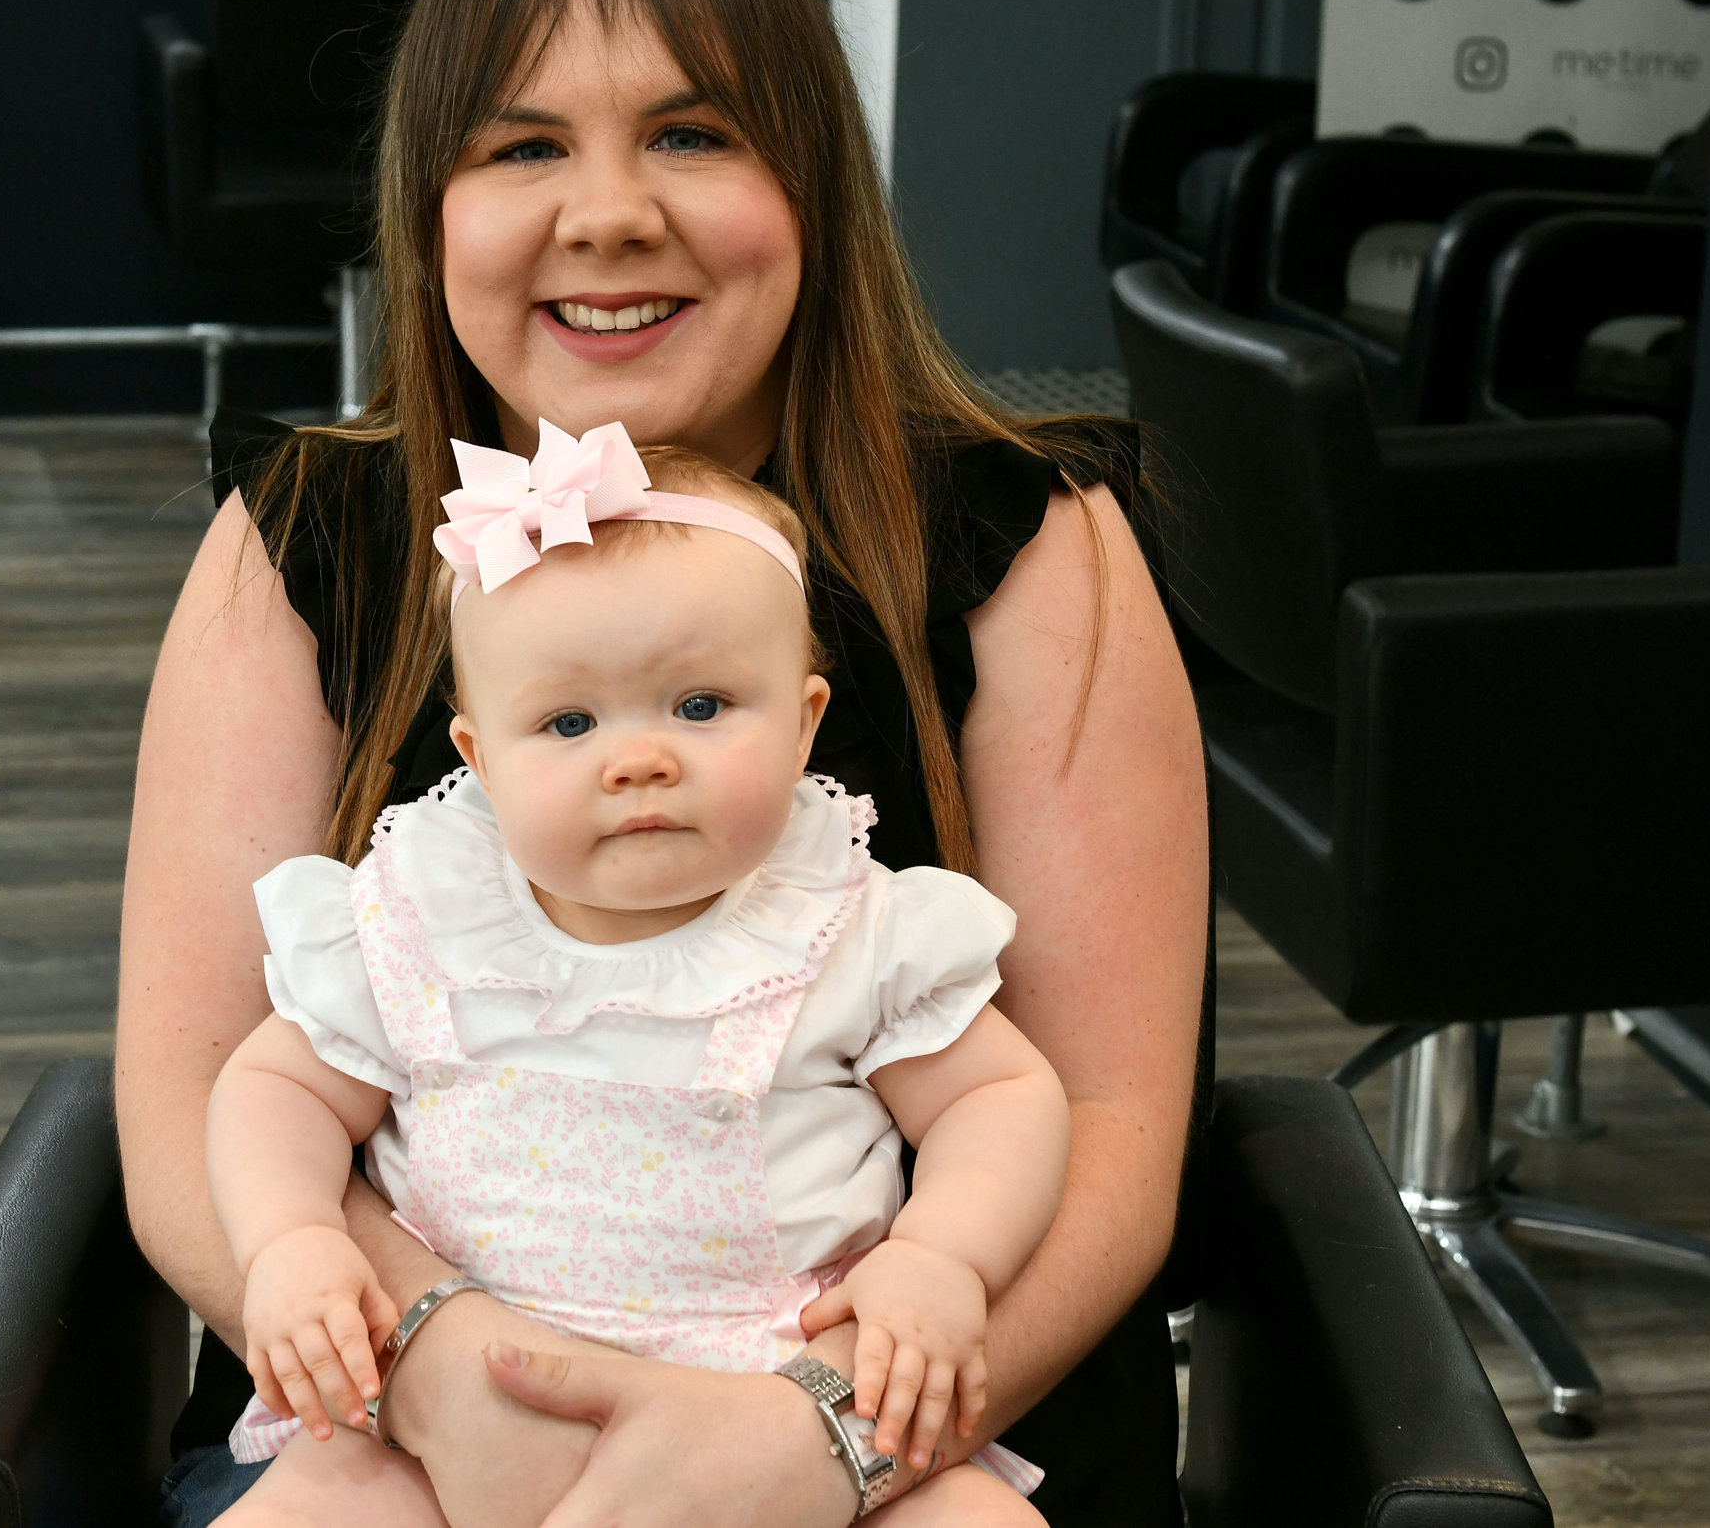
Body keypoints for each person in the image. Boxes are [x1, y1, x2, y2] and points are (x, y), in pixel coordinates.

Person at [119, 0, 1207, 1528]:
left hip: (910, 1428)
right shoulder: (304, 539)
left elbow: (1111, 1124)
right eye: (524, 145)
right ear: (434, 211)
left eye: (693, 134)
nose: (609, 211)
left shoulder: (1032, 540)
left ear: (817, 186)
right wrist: (438, 1375)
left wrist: (826, 1436)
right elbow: (199, 1106)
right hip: (397, 1439)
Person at [205, 432, 1071, 1528]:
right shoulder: (417, 911)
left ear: (804, 721)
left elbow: (999, 1095)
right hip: (442, 1428)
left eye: (700, 705)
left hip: (765, 1410)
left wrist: (943, 1255)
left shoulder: (848, 922)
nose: (638, 759)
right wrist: (290, 1238)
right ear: (477, 756)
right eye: (567, 722)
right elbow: (274, 1087)